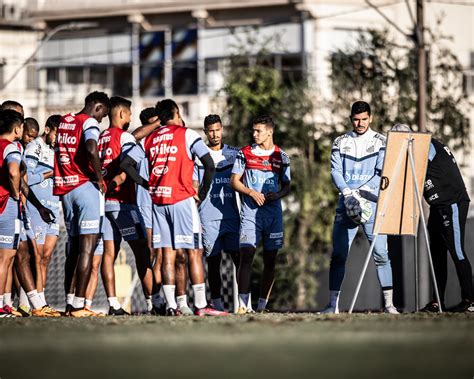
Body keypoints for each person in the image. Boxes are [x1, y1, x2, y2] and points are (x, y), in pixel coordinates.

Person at [121, 99, 225, 316]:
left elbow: (125, 164)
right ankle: (200, 305)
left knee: (166, 254)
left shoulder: (150, 138)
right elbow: (208, 164)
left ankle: (171, 306)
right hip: (182, 200)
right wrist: (203, 193)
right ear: (176, 113)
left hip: (158, 202)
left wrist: (145, 183)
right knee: (194, 252)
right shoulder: (187, 134)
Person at [321, 101, 398, 314]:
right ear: (350, 119)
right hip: (346, 204)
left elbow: (380, 173)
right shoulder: (340, 141)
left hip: (371, 204)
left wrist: (361, 192)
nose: (360, 123)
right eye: (356, 119)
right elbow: (335, 171)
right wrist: (348, 193)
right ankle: (332, 305)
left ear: (370, 118)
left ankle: (389, 305)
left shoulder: (381, 141)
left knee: (381, 254)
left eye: (364, 119)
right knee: (338, 254)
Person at [391, 123, 473, 313]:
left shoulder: (424, 145)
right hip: (437, 206)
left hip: (452, 202)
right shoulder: (417, 147)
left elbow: (415, 166)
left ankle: (470, 299)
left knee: (457, 250)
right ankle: (438, 302)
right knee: (437, 255)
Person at [54, 91, 110, 317]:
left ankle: (69, 304)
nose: (100, 121)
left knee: (74, 249)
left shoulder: (65, 121)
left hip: (65, 190)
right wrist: (99, 177)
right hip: (85, 188)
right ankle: (79, 305)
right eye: (102, 116)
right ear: (97, 108)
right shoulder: (88, 123)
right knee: (88, 248)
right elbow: (90, 148)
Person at [98, 96, 155, 315]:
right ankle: (154, 303)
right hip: (123, 204)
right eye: (130, 114)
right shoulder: (124, 138)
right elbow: (124, 171)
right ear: (122, 114)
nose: (130, 118)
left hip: (103, 204)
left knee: (108, 254)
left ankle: (113, 304)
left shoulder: (101, 137)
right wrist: (145, 183)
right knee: (142, 252)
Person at [230, 115, 291, 314]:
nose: (254, 134)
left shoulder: (281, 156)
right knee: (246, 255)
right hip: (250, 214)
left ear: (269, 132)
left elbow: (287, 185)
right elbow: (235, 181)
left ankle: (262, 306)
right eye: (253, 130)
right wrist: (251, 192)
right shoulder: (245, 153)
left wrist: (278, 194)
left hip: (273, 217)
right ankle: (243, 305)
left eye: (258, 130)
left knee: (270, 259)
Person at [194, 114, 240, 312]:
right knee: (214, 263)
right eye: (210, 130)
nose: (214, 134)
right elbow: (195, 187)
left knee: (240, 261)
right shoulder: (198, 156)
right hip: (208, 219)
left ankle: (243, 304)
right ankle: (218, 305)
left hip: (232, 218)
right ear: (205, 132)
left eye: (218, 129)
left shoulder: (234, 154)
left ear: (222, 129)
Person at [24, 115, 61, 294]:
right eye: (56, 134)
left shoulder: (58, 151)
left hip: (54, 209)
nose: (59, 139)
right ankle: (30, 302)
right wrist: (47, 174)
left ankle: (41, 299)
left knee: (46, 258)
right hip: (37, 209)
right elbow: (26, 179)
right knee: (35, 258)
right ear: (47, 130)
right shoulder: (34, 147)